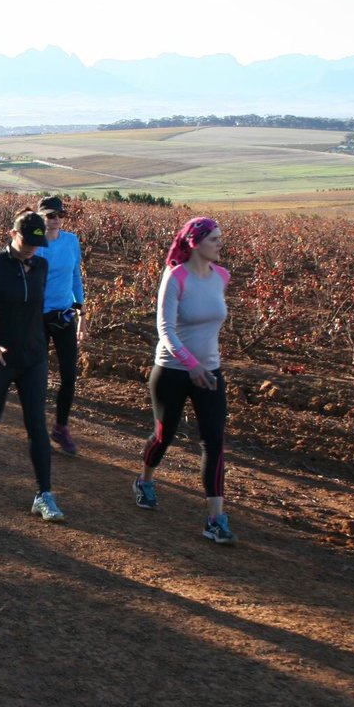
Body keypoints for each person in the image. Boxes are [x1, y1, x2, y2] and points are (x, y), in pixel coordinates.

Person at [132, 217, 235, 545]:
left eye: (221, 238)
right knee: (164, 435)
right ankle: (145, 480)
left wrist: (206, 365)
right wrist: (190, 364)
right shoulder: (175, 277)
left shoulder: (221, 276)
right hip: (173, 370)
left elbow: (211, 322)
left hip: (210, 371)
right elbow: (166, 329)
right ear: (195, 243)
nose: (220, 244)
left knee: (214, 442)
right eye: (214, 239)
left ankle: (216, 519)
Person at [0, 210, 65, 522]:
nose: (33, 247)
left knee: (36, 425)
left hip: (33, 356)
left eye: (38, 242)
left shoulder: (41, 266)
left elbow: (37, 309)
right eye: (28, 241)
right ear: (12, 234)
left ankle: (43, 494)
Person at [34, 196, 86, 456]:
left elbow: (76, 275)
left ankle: (61, 428)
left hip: (65, 315)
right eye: (50, 215)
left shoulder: (71, 241)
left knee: (68, 376)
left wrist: (82, 313)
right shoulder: (34, 244)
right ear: (40, 217)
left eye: (59, 215)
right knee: (39, 376)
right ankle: (37, 430)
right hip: (38, 317)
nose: (55, 219)